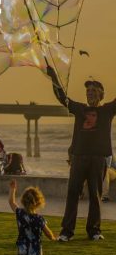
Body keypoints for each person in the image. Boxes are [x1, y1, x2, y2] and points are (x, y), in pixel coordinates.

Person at [47, 67, 116, 241]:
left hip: (99, 158)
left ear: (101, 94)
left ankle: (94, 230)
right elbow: (62, 97)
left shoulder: (107, 110)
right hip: (79, 157)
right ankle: (66, 232)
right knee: (73, 193)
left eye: (94, 91)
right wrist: (53, 76)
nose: (90, 93)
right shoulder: (79, 109)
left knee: (95, 195)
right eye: (88, 91)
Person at [8, 180, 55, 255]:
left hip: (22, 248)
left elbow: (11, 202)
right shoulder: (39, 219)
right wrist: (53, 237)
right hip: (35, 250)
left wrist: (13, 189)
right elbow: (48, 233)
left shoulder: (19, 213)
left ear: (23, 201)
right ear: (38, 202)